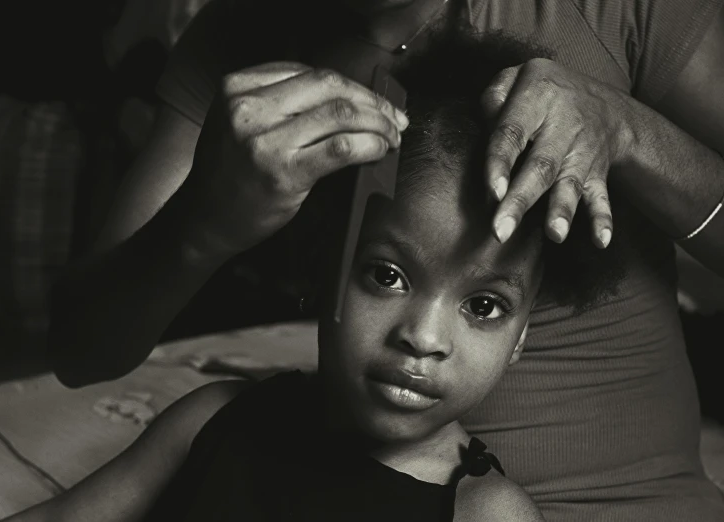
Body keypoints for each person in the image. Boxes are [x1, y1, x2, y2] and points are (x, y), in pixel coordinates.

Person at [49, 0, 724, 519]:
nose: (423, 337)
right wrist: (203, 221)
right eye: (387, 275)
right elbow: (83, 351)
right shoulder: (242, 35)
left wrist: (630, 131)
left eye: (483, 305)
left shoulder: (613, 12)